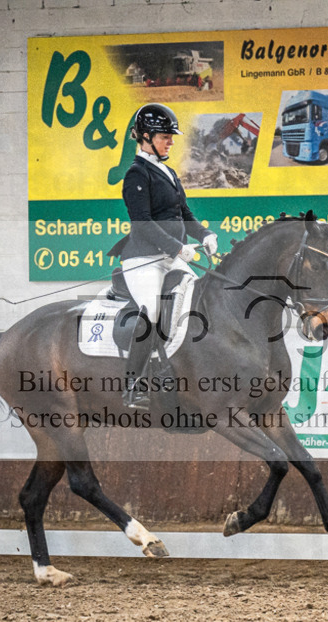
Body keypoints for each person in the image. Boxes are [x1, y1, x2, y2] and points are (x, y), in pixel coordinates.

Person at [109, 103, 218, 410]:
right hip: (142, 259)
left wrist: (204, 234)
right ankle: (134, 384)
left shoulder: (167, 171)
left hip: (172, 256)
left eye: (171, 136)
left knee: (200, 299)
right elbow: (143, 223)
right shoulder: (135, 174)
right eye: (164, 136)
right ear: (145, 136)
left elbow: (184, 212)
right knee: (153, 311)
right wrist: (176, 248)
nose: (171, 141)